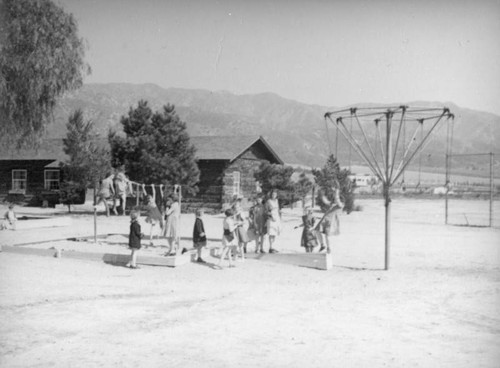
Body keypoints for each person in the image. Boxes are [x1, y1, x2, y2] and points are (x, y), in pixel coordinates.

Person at [315, 187, 344, 254]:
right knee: (317, 231)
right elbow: (326, 201)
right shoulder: (333, 204)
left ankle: (329, 248)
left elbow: (337, 199)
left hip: (330, 221)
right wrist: (321, 194)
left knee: (327, 235)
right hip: (324, 219)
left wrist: (336, 192)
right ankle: (322, 245)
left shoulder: (340, 205)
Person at [265, 189, 281, 253]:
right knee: (271, 233)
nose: (274, 195)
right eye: (272, 194)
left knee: (275, 233)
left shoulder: (277, 201)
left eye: (275, 194)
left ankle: (273, 246)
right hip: (271, 219)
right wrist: (271, 217)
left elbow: (278, 210)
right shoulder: (268, 201)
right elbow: (266, 211)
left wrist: (279, 217)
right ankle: (270, 247)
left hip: (276, 218)